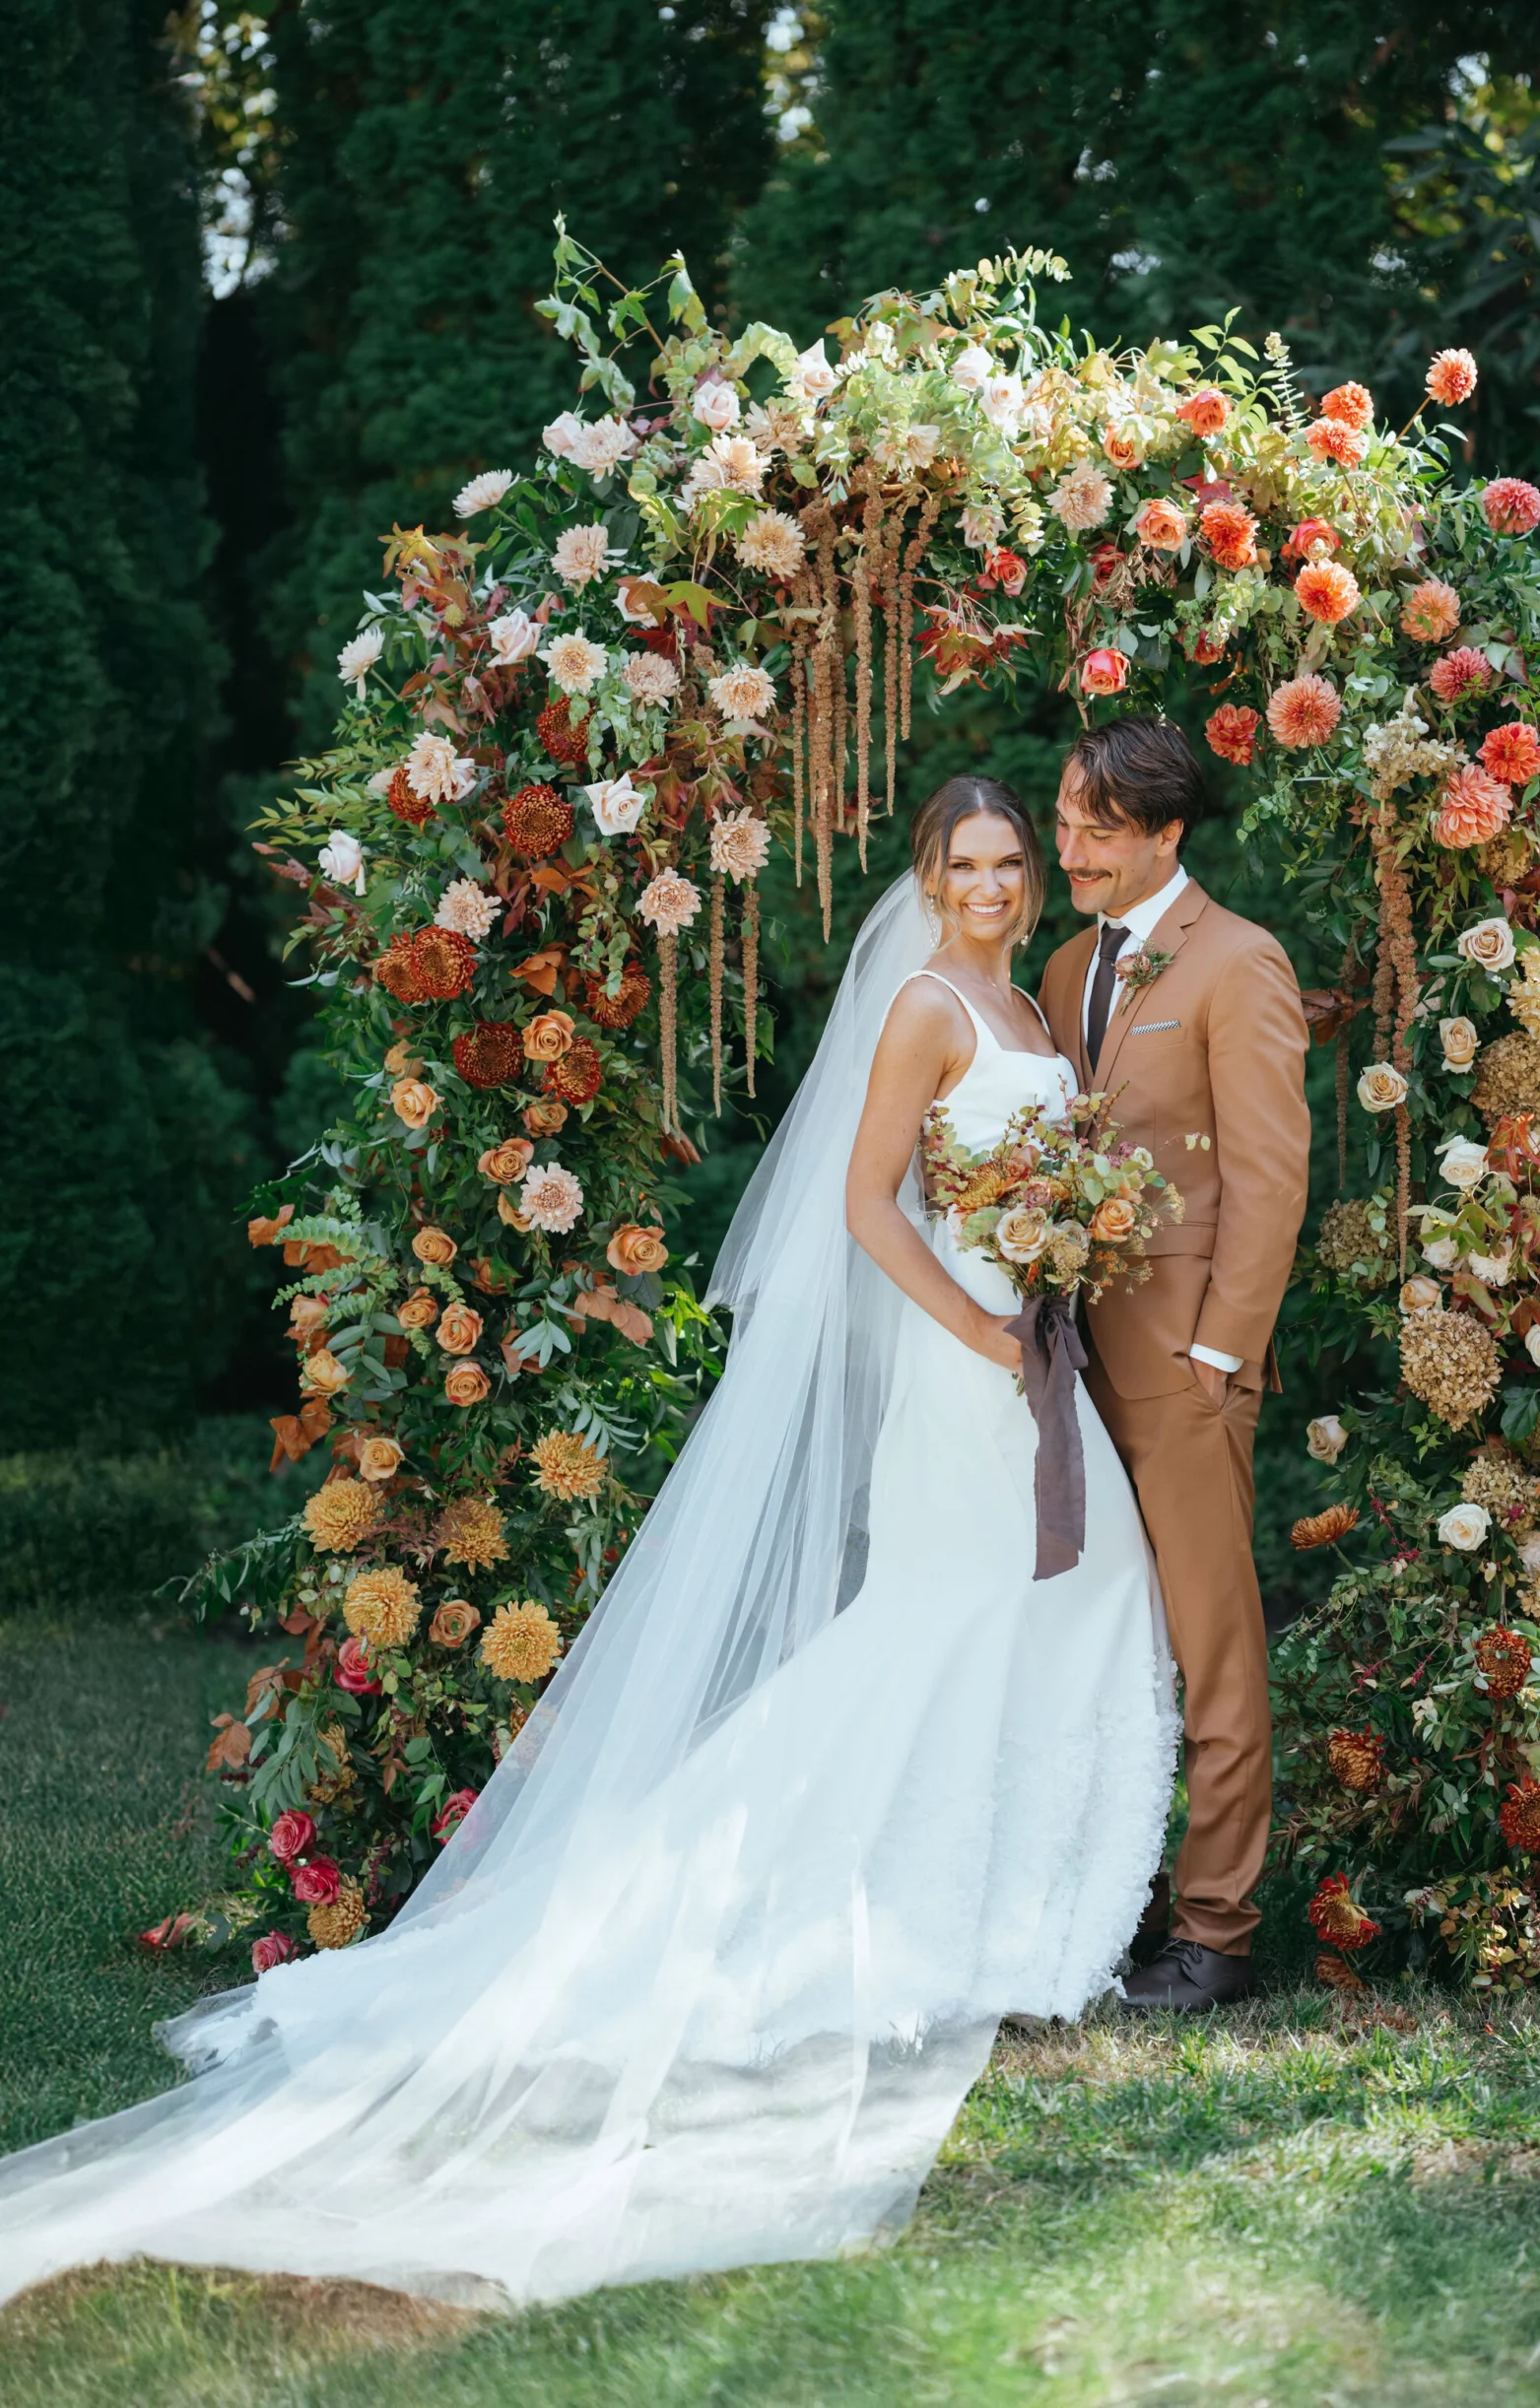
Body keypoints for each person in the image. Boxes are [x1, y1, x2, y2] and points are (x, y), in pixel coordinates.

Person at [0, 776, 1174, 2311]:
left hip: (1031, 1352)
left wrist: (1058, 1260)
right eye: (966, 864)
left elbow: (1024, 1187)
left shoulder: (1026, 1003)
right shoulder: (925, 1007)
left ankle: (1023, 1895)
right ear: (926, 874)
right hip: (965, 1370)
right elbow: (864, 1206)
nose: (993, 885)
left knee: (1068, 1594)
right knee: (975, 1611)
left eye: (1011, 863)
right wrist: (972, 1322)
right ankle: (942, 1898)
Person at [1040, 712, 1311, 2013]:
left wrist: (1218, 1355)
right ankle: (1116, 1897)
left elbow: (1268, 1177)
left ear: (1167, 833)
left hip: (1183, 1367)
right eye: (1065, 819)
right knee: (1102, 1648)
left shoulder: (1237, 963)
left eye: (1102, 825)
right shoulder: (1053, 971)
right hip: (1069, 1373)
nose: (1072, 846)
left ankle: (1217, 1932)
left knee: (1211, 1648)